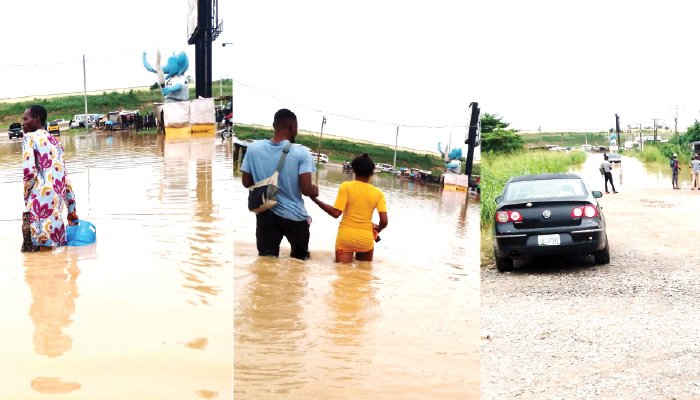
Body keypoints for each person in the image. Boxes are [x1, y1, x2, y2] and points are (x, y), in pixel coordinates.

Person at [241, 109, 318, 260]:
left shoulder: (253, 149)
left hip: (265, 212)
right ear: (293, 127)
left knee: (266, 262)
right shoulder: (301, 153)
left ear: (274, 125)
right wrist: (314, 191)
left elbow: (246, 182)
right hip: (295, 216)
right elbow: (306, 189)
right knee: (299, 263)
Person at [310, 153, 389, 263]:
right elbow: (384, 221)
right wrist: (377, 230)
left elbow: (335, 213)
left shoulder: (346, 186)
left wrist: (315, 199)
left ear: (354, 170)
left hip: (346, 237)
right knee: (363, 275)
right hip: (365, 239)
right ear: (371, 173)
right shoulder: (378, 193)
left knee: (342, 275)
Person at [21, 105, 78, 252]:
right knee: (55, 251)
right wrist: (72, 209)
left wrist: (27, 197)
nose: (22, 123)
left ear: (37, 119)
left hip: (39, 204)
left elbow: (29, 172)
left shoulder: (29, 137)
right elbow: (65, 178)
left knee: (34, 254)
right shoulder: (55, 141)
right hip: (56, 204)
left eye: (25, 119)